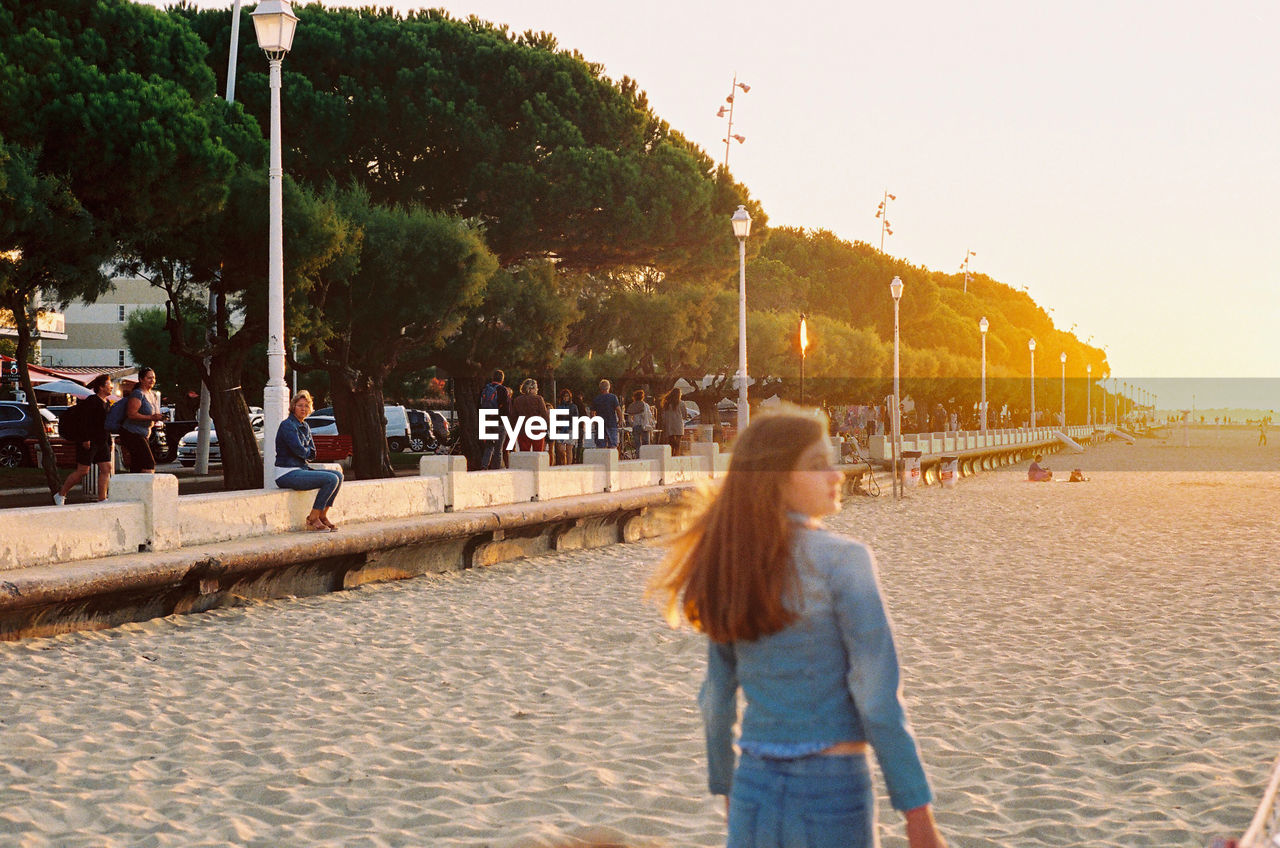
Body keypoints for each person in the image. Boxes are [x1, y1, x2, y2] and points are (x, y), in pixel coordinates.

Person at [648, 409, 946, 848]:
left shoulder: (732, 563)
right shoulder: (844, 560)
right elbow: (876, 696)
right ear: (778, 479)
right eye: (817, 464)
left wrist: (726, 786)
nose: (836, 473)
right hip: (831, 789)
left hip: (754, 786)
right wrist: (916, 811)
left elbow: (715, 701)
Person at [274, 390, 342, 531]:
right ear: (293, 407)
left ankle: (322, 515)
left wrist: (304, 452)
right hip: (286, 473)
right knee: (331, 479)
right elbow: (299, 450)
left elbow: (313, 453)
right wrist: (305, 452)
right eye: (300, 405)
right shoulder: (287, 425)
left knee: (339, 476)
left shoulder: (305, 426)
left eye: (306, 406)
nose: (303, 409)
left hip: (301, 469)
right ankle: (312, 518)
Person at [53, 375, 114, 504]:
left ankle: (102, 498)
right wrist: (85, 439)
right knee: (82, 471)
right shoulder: (92, 401)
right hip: (89, 441)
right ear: (101, 387)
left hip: (101, 442)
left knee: (106, 468)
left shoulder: (107, 403)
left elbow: (106, 424)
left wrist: (109, 442)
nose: (112, 387)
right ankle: (61, 494)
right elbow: (83, 422)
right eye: (109, 384)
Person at [120, 367, 164, 473]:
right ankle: (148, 488)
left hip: (144, 434)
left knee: (137, 465)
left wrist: (158, 418)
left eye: (153, 378)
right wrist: (151, 417)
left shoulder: (153, 394)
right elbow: (131, 414)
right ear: (141, 379)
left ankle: (134, 488)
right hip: (132, 433)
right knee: (148, 464)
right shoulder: (138, 394)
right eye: (149, 378)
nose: (152, 380)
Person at [478, 369, 512, 470]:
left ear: (493, 378)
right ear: (502, 379)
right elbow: (506, 409)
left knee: (489, 446)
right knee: (498, 449)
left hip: (487, 421)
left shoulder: (485, 389)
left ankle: (484, 466)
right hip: (499, 422)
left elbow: (478, 405)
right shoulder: (503, 390)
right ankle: (496, 469)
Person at [510, 378, 550, 452]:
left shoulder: (517, 400)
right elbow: (545, 414)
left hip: (523, 429)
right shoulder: (538, 399)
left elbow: (513, 417)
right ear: (531, 389)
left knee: (524, 454)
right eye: (536, 388)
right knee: (538, 453)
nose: (537, 390)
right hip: (537, 429)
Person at [592, 379, 624, 450]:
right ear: (608, 387)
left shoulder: (596, 399)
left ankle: (601, 460)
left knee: (601, 446)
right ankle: (613, 460)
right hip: (611, 423)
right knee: (613, 445)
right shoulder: (613, 397)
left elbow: (592, 413)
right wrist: (620, 420)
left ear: (600, 388)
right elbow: (618, 410)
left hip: (600, 425)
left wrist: (595, 422)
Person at [551, 388, 579, 466]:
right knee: (561, 450)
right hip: (560, 429)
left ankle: (569, 465)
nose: (565, 398)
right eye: (564, 396)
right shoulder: (559, 407)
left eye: (567, 396)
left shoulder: (573, 407)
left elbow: (575, 418)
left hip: (570, 429)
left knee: (569, 449)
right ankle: (564, 463)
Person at [659, 387, 685, 456]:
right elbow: (684, 414)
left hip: (669, 425)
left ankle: (671, 455)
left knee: (671, 442)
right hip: (678, 424)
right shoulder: (681, 403)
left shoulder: (666, 404)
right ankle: (677, 455)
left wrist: (664, 424)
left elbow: (663, 415)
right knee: (678, 443)